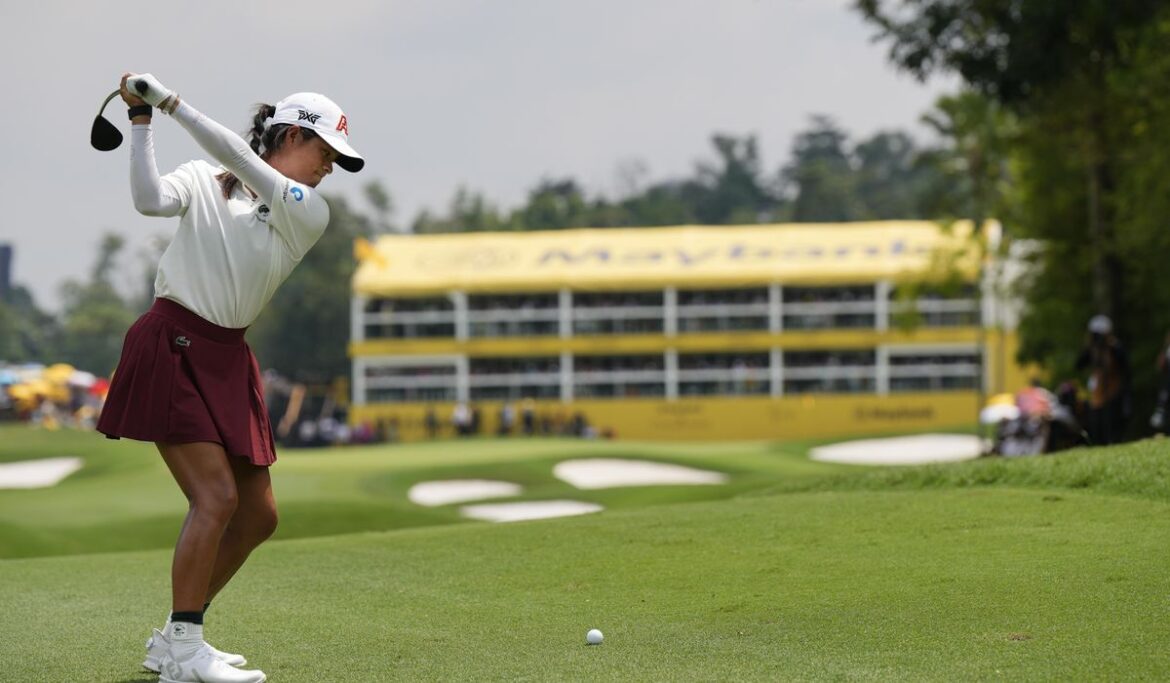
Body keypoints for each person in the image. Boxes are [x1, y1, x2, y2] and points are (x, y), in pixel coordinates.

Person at [96, 72, 364, 683]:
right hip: (172, 342)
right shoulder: (202, 178)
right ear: (292, 136)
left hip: (227, 356)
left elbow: (242, 159)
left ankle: (175, 637)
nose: (329, 169)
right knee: (215, 498)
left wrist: (170, 103)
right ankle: (185, 651)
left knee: (258, 515)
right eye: (325, 153)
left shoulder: (309, 210)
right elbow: (150, 201)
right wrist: (142, 121)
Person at [1075, 314, 1130, 445]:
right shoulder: (1092, 350)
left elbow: (1126, 370)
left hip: (1113, 391)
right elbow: (1079, 365)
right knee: (1096, 423)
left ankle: (1112, 442)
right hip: (1097, 393)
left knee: (1111, 423)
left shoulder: (1116, 348)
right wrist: (1088, 348)